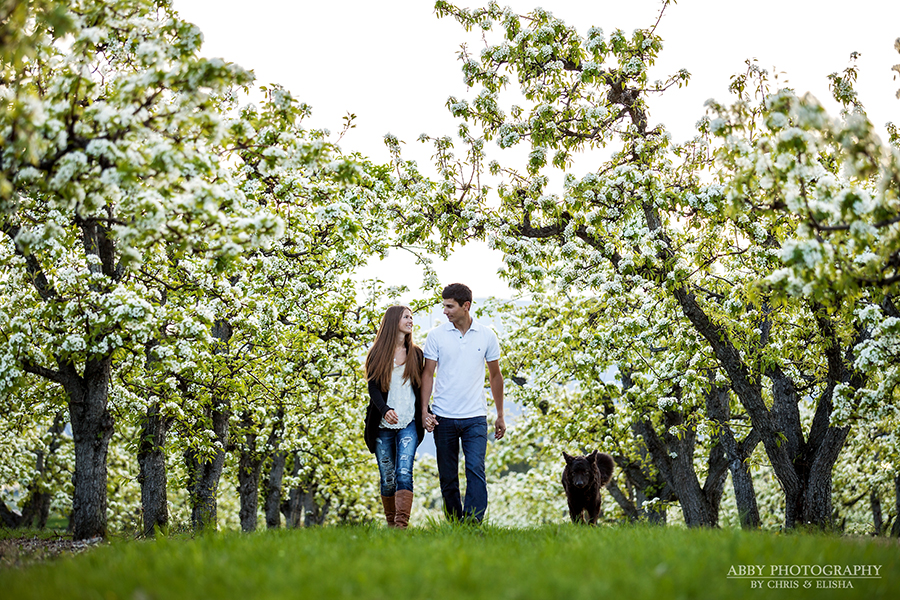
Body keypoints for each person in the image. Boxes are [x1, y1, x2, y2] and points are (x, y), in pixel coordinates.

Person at [421, 283, 505, 523]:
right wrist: (424, 411)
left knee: (475, 470)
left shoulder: (487, 335)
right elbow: (428, 374)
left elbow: (495, 376)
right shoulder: (436, 335)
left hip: (475, 417)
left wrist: (500, 414)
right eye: (444, 306)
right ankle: (455, 522)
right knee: (448, 476)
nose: (445, 311)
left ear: (465, 306)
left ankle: (473, 522)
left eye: (450, 306)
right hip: (443, 417)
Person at [364, 305, 425, 529]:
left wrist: (425, 412)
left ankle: (401, 526)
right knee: (388, 476)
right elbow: (373, 388)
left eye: (411, 317)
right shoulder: (377, 353)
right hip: (382, 425)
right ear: (393, 322)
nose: (410, 320)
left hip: (409, 422)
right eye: (406, 317)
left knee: (404, 471)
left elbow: (421, 387)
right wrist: (385, 409)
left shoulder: (416, 354)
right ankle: (391, 525)